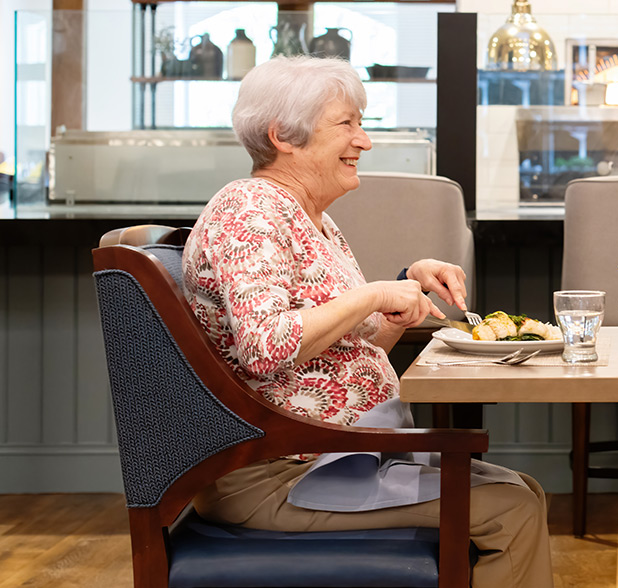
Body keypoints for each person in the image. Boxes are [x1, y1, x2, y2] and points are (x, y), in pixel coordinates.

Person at [183, 56, 552, 588]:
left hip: (329, 456)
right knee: (511, 509)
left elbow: (359, 342)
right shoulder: (250, 211)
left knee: (522, 491)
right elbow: (264, 345)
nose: (365, 140)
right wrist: (374, 292)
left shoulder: (310, 218)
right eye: (347, 124)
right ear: (283, 135)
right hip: (278, 470)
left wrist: (404, 289)